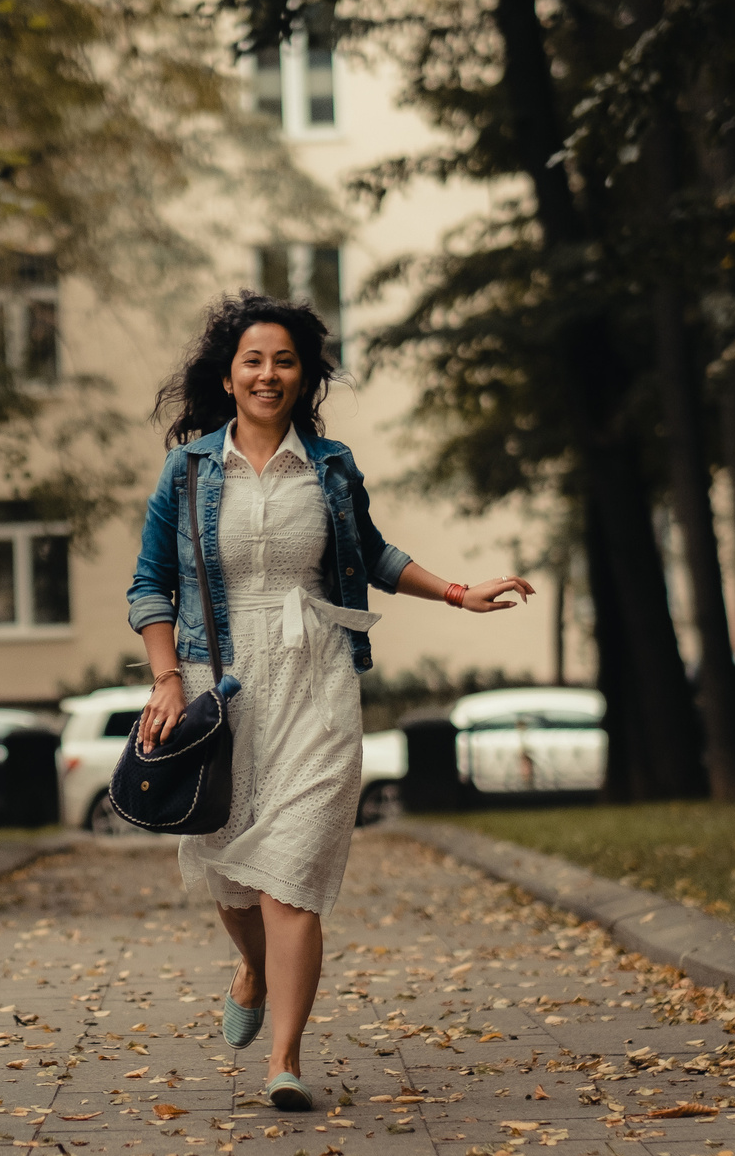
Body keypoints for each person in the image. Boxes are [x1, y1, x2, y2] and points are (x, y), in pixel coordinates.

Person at [125, 293, 533, 1112]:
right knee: (229, 875)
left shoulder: (331, 465)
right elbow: (150, 583)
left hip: (316, 681)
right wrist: (166, 679)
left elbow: (373, 555)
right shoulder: (190, 470)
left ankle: (285, 1059)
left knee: (292, 877)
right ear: (228, 376)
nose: (268, 373)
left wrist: (458, 592)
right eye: (253, 360)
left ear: (303, 376)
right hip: (220, 688)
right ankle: (251, 966)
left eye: (285, 360)